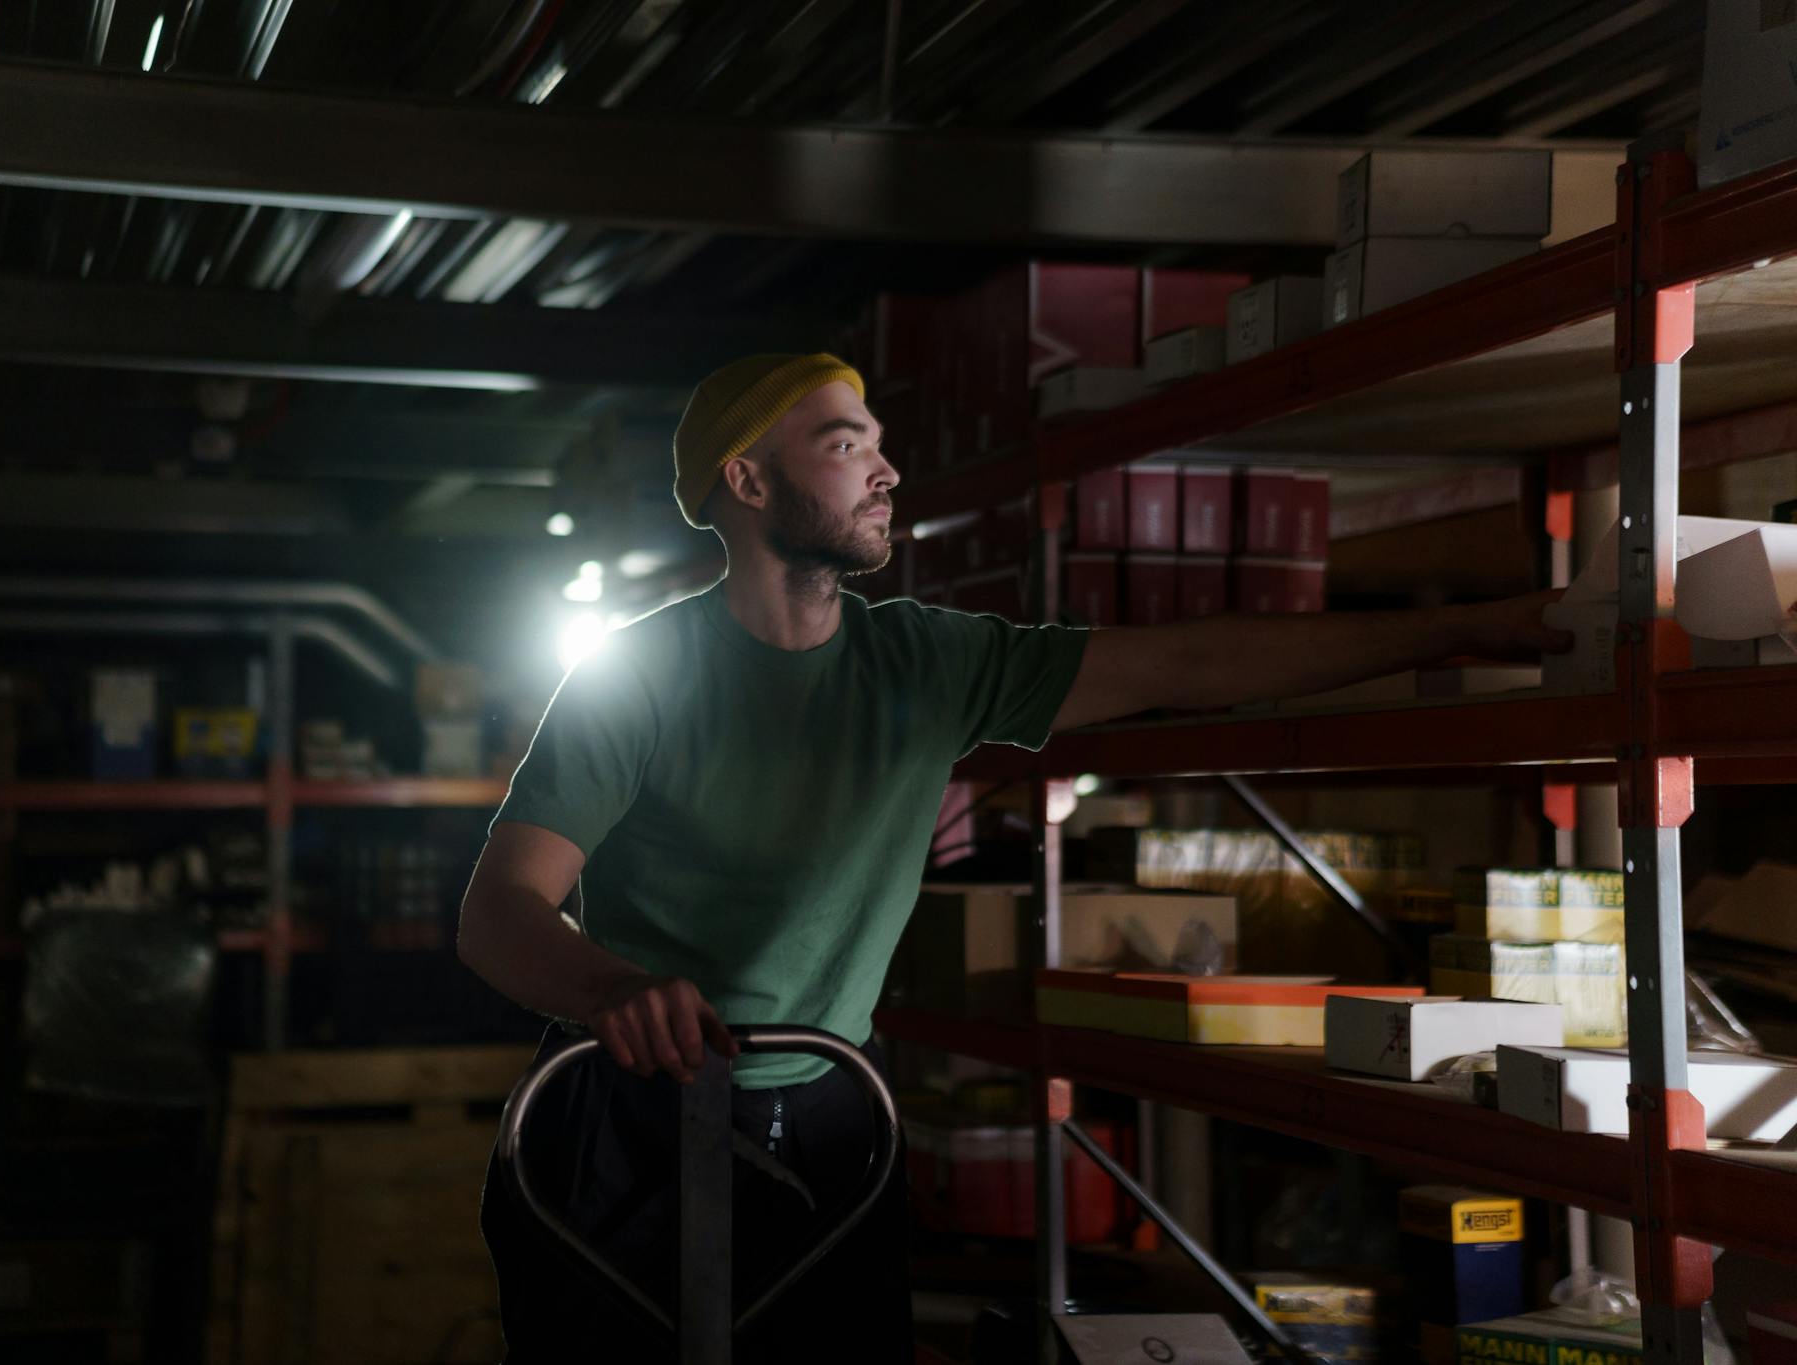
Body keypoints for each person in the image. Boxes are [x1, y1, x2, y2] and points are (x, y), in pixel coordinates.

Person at [460, 353, 1568, 1363]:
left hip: (834, 1110)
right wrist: (613, 987)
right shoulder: (636, 678)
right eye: (845, 444)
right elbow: (500, 908)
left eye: (878, 442)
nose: (886, 471)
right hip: (627, 1115)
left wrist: (1467, 629)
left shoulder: (924, 662)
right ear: (745, 482)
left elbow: (1186, 662)